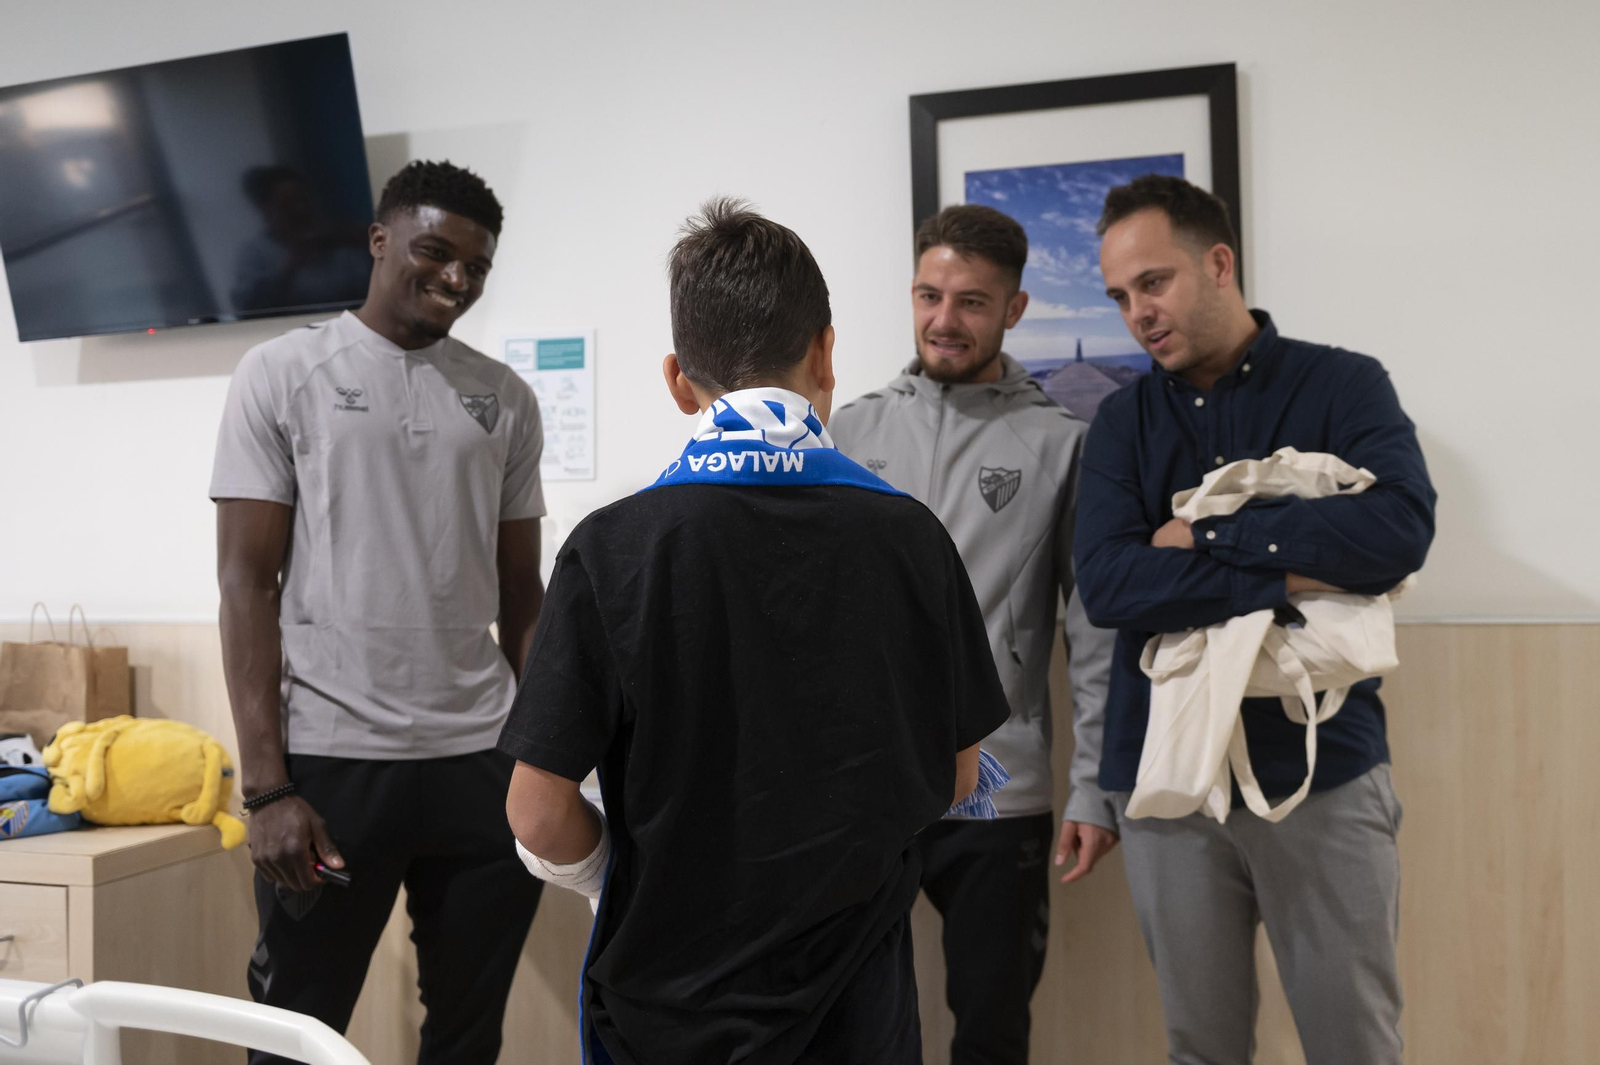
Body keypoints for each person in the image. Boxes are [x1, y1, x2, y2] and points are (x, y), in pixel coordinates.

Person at [499, 198, 1011, 1065]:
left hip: (666, 1013)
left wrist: (610, 875)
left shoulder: (613, 548)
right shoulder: (910, 536)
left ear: (677, 379)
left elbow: (537, 812)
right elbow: (959, 774)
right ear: (826, 353)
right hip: (858, 1009)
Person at [1073, 174, 1436, 1064]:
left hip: (1322, 769)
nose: (1137, 313)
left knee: (1355, 1045)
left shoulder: (1343, 384)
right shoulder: (1119, 422)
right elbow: (1111, 585)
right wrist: (1292, 572)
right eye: (1119, 296)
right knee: (1201, 1050)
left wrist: (1206, 533)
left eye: (1153, 282)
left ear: (1219, 263)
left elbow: (1398, 532)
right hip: (1165, 780)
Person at [211, 160, 545, 1065]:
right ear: (380, 240)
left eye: (477, 266)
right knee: (295, 1033)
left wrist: (544, 752)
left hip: (481, 761)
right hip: (331, 767)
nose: (457, 278)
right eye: (435, 252)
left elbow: (524, 589)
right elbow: (246, 583)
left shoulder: (505, 397)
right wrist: (267, 788)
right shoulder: (282, 372)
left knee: (468, 1035)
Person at [827, 202, 1119, 1064]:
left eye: (972, 302)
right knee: (846, 1021)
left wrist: (1092, 789)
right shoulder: (848, 431)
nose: (944, 319)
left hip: (999, 789)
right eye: (929, 295)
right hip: (865, 787)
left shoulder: (1062, 444)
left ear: (1015, 309)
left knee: (992, 1032)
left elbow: (1093, 635)